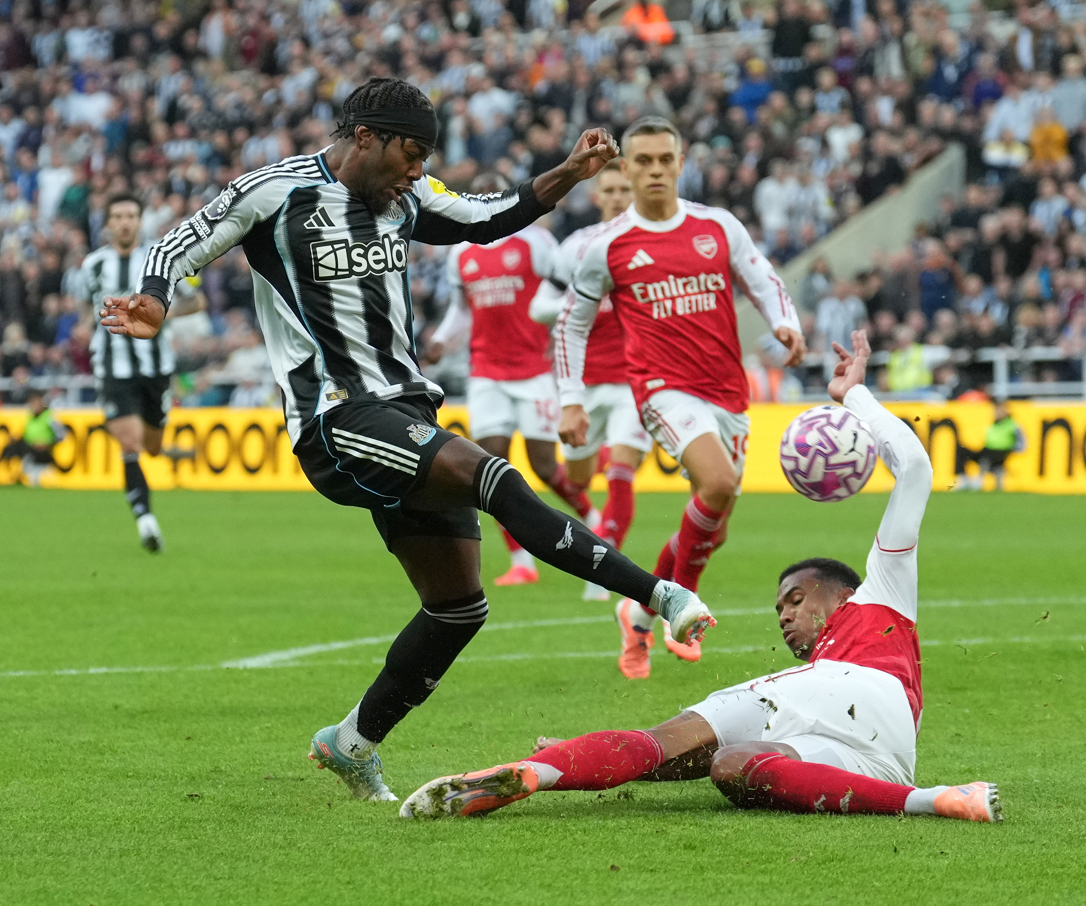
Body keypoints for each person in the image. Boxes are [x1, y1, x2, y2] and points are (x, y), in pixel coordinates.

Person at [101, 78, 714, 804]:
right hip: (336, 418)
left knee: (458, 607)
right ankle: (659, 594)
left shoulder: (404, 196)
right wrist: (156, 296)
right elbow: (183, 239)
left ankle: (352, 742)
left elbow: (487, 217)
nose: (418, 170)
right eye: (411, 154)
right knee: (496, 478)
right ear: (366, 137)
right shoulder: (278, 191)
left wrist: (569, 175)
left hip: (405, 409)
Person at [399, 330, 1001, 824]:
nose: (787, 614)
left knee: (686, 743)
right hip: (857, 740)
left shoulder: (883, 593)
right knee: (725, 763)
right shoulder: (813, 660)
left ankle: (554, 766)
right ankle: (540, 771)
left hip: (859, 693)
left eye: (796, 598)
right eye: (779, 609)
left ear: (843, 591)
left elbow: (915, 468)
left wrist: (857, 398)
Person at [553, 117, 805, 680]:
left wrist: (784, 322)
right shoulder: (608, 246)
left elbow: (762, 278)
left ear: (680, 162)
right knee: (716, 484)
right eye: (643, 161)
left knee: (715, 527)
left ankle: (637, 613)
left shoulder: (717, 227)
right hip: (660, 389)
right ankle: (679, 606)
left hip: (727, 391)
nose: (656, 170)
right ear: (626, 169)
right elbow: (571, 324)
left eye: (665, 159)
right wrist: (570, 399)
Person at [423, 175, 595, 587]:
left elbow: (560, 295)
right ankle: (522, 561)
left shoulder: (536, 243)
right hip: (485, 372)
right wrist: (442, 341)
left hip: (534, 370)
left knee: (544, 465)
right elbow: (461, 313)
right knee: (489, 468)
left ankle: (592, 518)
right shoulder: (461, 254)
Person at [532, 162, 662, 623]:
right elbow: (538, 306)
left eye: (626, 188)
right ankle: (597, 503)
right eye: (609, 188)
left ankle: (602, 570)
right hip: (582, 385)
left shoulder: (653, 243)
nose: (618, 195)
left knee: (623, 471)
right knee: (582, 476)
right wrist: (581, 303)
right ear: (598, 195)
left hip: (635, 380)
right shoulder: (577, 247)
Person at [79, 194, 205, 552]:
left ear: (140, 221)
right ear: (108, 223)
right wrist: (83, 327)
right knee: (130, 443)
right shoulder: (92, 265)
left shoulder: (159, 261)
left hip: (155, 368)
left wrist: (160, 316)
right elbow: (85, 310)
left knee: (150, 445)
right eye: (117, 215)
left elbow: (196, 301)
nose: (124, 222)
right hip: (112, 367)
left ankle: (162, 452)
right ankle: (147, 522)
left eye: (130, 215)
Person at [0, 389, 64, 486]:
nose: (34, 405)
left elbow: (61, 435)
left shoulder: (49, 416)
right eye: (32, 403)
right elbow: (26, 432)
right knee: (7, 449)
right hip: (28, 445)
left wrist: (48, 443)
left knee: (31, 457)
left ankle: (28, 476)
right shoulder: (29, 415)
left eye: (37, 403)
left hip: (43, 449)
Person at [953, 400, 1025, 491]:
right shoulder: (993, 424)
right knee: (962, 451)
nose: (996, 413)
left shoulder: (1013, 425)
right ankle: (964, 478)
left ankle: (977, 482)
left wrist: (1011, 450)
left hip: (999, 453)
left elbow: (1022, 444)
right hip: (986, 450)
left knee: (987, 459)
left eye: (999, 410)